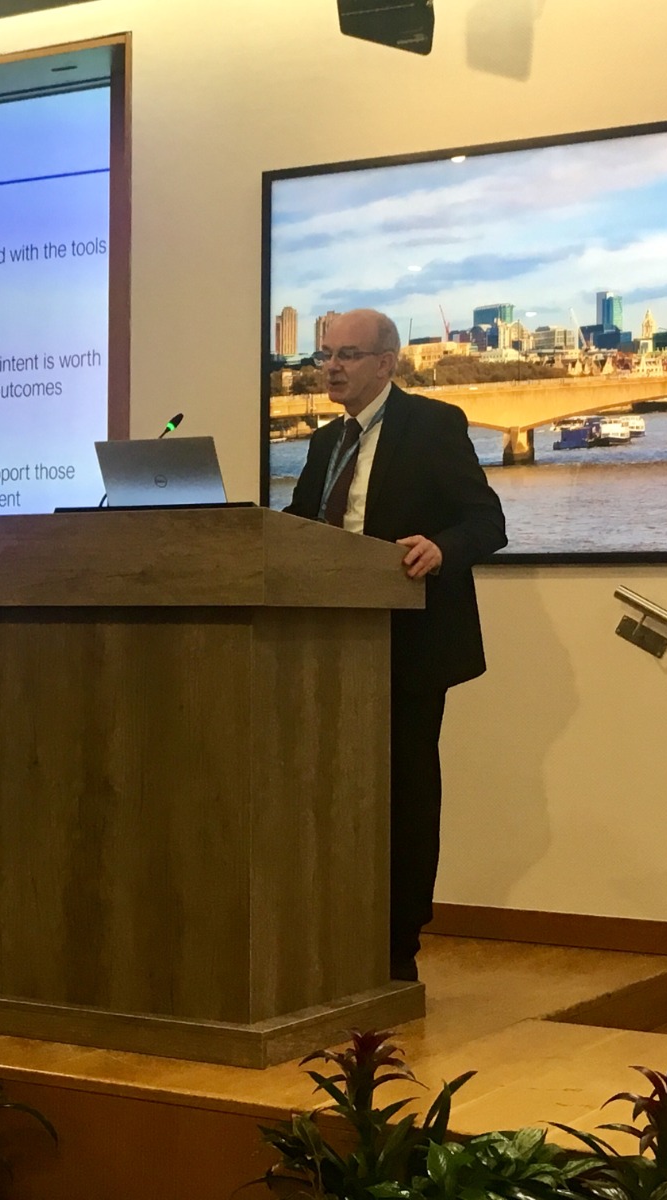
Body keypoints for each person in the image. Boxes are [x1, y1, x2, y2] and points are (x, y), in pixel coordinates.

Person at [284, 308, 506, 982]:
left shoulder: (433, 426)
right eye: (326, 355)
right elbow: (299, 530)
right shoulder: (325, 445)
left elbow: (485, 521)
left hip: (408, 645)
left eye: (347, 355)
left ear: (386, 363)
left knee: (403, 794)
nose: (332, 367)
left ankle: (397, 943)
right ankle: (327, 927)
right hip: (325, 651)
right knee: (325, 793)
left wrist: (441, 548)